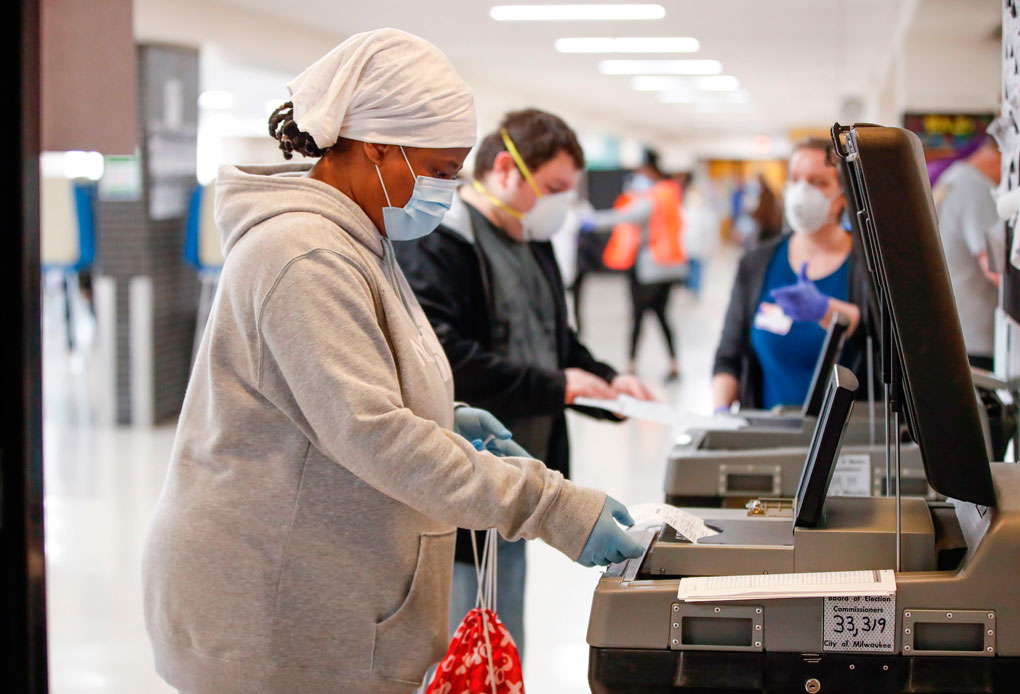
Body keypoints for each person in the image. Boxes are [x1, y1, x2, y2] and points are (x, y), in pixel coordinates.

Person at [141, 29, 641, 694]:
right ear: (376, 146)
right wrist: (554, 508)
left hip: (315, 595)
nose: (448, 189)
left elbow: (352, 386)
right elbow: (374, 433)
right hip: (268, 610)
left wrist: (444, 412)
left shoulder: (357, 237)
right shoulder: (305, 254)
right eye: (438, 169)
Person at [394, 109, 655, 658]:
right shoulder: (444, 241)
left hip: (524, 482)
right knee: (461, 646)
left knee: (502, 640)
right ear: (508, 169)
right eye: (556, 188)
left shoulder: (532, 238)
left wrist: (611, 384)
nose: (562, 203)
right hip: (465, 482)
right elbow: (446, 359)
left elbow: (556, 342)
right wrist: (555, 385)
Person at [713, 137, 872, 412]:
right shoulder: (756, 264)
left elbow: (886, 345)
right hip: (772, 435)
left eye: (818, 182)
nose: (802, 191)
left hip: (849, 439)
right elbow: (730, 355)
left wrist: (829, 311)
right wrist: (720, 410)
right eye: (795, 179)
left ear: (842, 197)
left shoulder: (868, 266)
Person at [586, 150, 685, 378]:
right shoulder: (671, 193)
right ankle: (673, 363)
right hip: (671, 266)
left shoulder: (652, 198)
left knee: (638, 316)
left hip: (650, 268)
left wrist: (592, 220)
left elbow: (624, 217)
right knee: (662, 315)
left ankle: (630, 365)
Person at [932, 135, 1001, 370]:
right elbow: (995, 268)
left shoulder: (953, 178)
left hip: (953, 332)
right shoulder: (976, 189)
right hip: (975, 340)